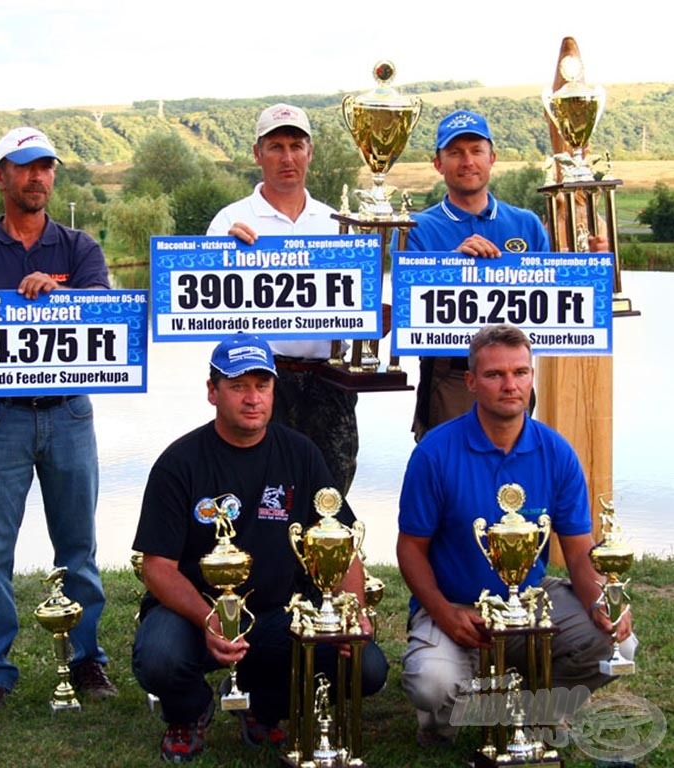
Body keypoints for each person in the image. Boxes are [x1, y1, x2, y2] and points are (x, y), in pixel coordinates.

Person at [132, 332, 388, 764]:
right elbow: (157, 566)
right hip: (193, 613)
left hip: (276, 612)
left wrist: (355, 612)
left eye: (262, 385)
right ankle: (189, 711)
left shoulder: (302, 454)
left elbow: (341, 546)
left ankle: (264, 708)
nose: (253, 398)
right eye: (238, 386)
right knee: (160, 656)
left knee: (366, 668)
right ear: (212, 392)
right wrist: (210, 619)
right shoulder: (179, 462)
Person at [0, 127, 117, 710]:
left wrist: (59, 299)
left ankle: (87, 662)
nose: (37, 176)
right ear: (0, 177)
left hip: (69, 414)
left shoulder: (79, 248)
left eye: (46, 166)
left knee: (79, 549)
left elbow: (103, 319)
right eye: (24, 167)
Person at [396, 324, 636, 746]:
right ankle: (455, 716)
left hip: (529, 601)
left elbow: (579, 552)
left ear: (531, 376)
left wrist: (604, 599)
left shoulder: (557, 451)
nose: (510, 385)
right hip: (455, 605)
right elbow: (410, 549)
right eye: (495, 375)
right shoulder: (434, 452)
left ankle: (525, 711)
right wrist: (444, 613)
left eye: (520, 372)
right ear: (471, 382)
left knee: (619, 644)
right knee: (431, 684)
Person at [401, 109, 608, 441]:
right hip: (452, 377)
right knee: (452, 479)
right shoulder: (417, 229)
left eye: (476, 151)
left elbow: (559, 303)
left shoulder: (526, 224)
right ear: (438, 163)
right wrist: (453, 265)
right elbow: (406, 306)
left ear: (492, 157)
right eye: (455, 152)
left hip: (515, 378)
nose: (467, 161)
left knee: (515, 477)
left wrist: (595, 273)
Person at [206, 103, 359, 496]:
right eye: (275, 146)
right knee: (257, 491)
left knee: (329, 494)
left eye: (296, 145)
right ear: (257, 154)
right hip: (257, 380)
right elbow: (203, 306)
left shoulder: (338, 223)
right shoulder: (228, 222)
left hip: (328, 380)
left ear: (310, 152)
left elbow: (361, 305)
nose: (287, 157)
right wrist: (223, 259)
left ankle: (327, 560)